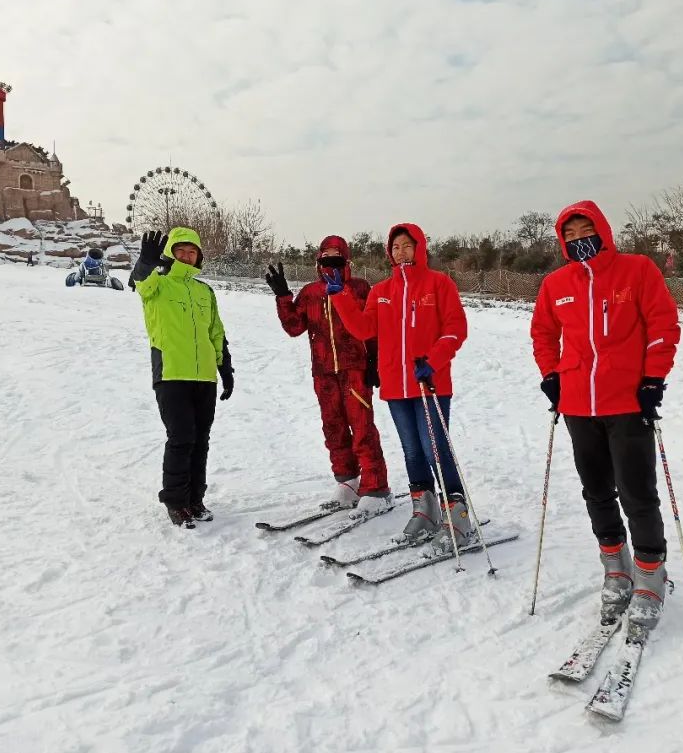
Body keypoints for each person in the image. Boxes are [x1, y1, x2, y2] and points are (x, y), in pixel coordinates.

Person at [530, 201, 680, 629]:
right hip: (577, 404)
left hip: (628, 402)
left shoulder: (637, 270)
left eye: (585, 230)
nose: (579, 239)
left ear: (602, 230)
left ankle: (650, 574)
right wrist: (551, 374)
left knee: (637, 493)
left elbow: (663, 325)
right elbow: (543, 332)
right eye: (570, 234)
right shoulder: (556, 282)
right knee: (596, 491)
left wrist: (653, 379)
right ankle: (616, 569)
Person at [329, 223, 472, 554]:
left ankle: (457, 515)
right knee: (412, 452)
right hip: (396, 385)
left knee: (435, 448)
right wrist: (340, 297)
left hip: (429, 382)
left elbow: (456, 328)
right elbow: (364, 329)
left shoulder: (439, 284)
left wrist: (434, 360)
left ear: (420, 248)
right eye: (395, 248)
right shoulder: (381, 291)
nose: (401, 252)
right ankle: (424, 509)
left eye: (407, 246)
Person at [263, 236, 390, 511]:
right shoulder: (311, 292)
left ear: (346, 260)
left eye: (337, 258)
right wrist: (283, 296)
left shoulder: (359, 288)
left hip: (354, 370)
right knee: (333, 427)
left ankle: (376, 487)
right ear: (318, 261)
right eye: (325, 258)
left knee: (362, 428)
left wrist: (373, 363)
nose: (330, 263)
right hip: (323, 373)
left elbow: (373, 328)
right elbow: (294, 327)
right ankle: (347, 481)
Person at [129, 227, 234, 528]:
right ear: (171, 253)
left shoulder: (205, 292)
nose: (187, 256)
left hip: (204, 378)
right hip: (172, 374)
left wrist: (225, 368)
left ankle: (195, 499)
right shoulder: (158, 285)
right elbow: (140, 283)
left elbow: (216, 332)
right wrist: (146, 262)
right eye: (181, 250)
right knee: (181, 438)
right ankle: (176, 501)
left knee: (201, 440)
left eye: (193, 252)